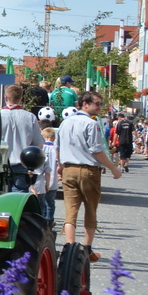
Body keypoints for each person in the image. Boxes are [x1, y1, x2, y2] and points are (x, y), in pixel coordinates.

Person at [54, 90, 122, 262]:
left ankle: (69, 248)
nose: (99, 107)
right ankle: (87, 249)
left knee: (71, 211)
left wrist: (60, 166)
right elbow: (96, 150)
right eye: (97, 104)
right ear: (85, 104)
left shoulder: (65, 122)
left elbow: (57, 147)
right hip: (88, 170)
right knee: (90, 210)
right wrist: (113, 168)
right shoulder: (91, 124)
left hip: (68, 169)